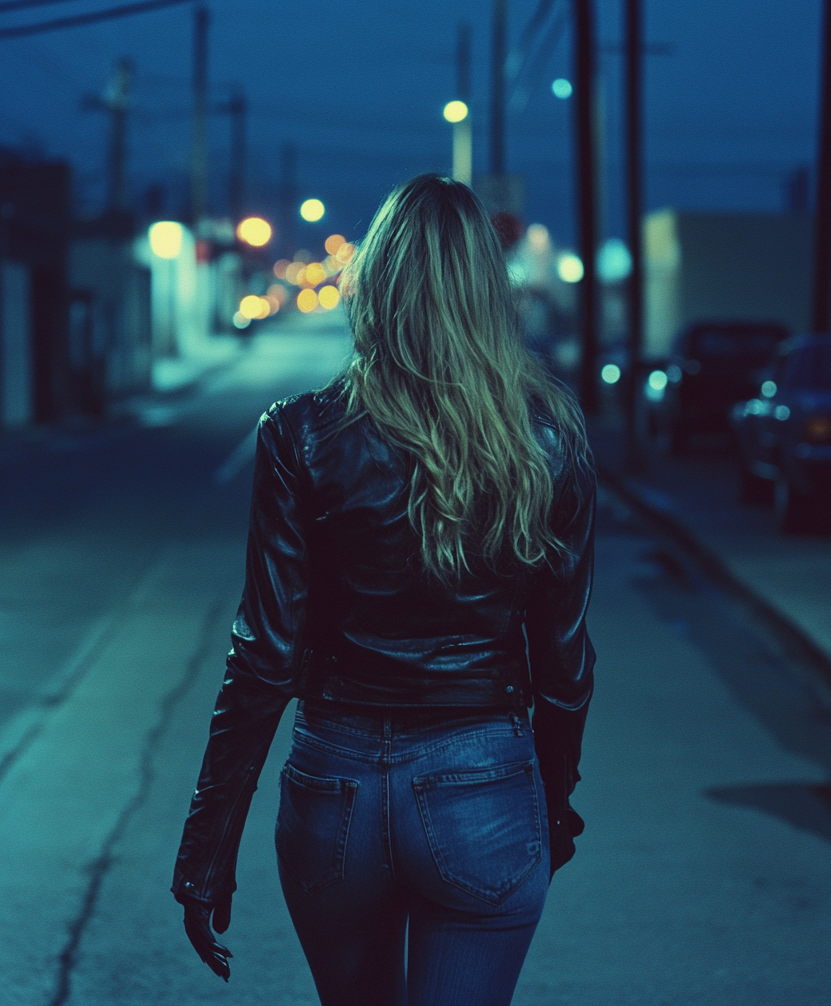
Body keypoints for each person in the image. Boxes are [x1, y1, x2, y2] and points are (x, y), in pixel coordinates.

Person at [172, 173, 596, 1006]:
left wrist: (207, 845)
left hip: (336, 789)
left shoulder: (300, 435)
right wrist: (552, 801)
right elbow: (565, 662)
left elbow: (265, 657)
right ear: (487, 290)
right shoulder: (549, 441)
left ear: (376, 285)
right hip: (484, 775)